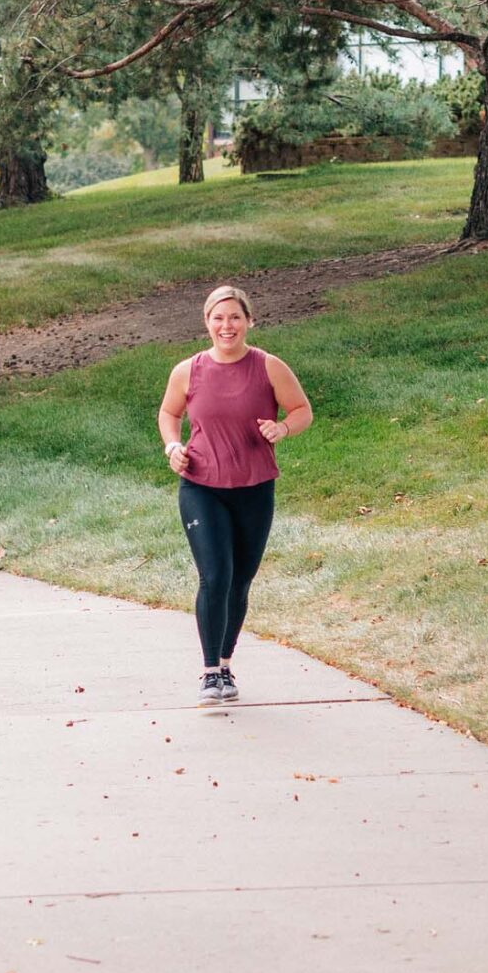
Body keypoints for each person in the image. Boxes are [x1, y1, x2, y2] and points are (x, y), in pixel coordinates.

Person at [157, 285, 313, 705]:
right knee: (216, 576)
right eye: (218, 318)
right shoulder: (187, 370)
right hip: (202, 486)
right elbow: (169, 413)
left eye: (234, 317)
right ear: (206, 323)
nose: (227, 326)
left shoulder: (269, 367)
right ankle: (210, 673)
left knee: (240, 581)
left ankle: (226, 662)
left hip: (255, 487)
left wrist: (282, 429)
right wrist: (173, 447)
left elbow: (302, 411)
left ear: (248, 321)